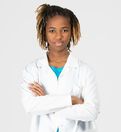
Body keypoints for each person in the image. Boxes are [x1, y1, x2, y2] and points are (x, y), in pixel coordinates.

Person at [21, 3, 100, 132]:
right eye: (52, 30)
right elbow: (30, 106)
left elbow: (92, 111)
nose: (58, 36)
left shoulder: (84, 71)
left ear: (71, 31)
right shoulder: (33, 70)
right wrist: (72, 100)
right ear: (44, 32)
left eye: (64, 30)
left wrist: (46, 103)